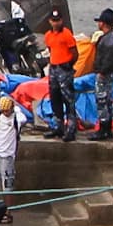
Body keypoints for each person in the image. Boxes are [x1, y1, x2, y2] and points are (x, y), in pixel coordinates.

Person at [42, 8, 79, 142]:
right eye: (53, 21)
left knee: (68, 99)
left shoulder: (67, 34)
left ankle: (71, 129)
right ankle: (58, 127)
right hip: (54, 68)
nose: (56, 23)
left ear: (62, 21)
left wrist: (68, 65)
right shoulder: (48, 36)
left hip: (65, 68)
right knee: (55, 98)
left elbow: (75, 53)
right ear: (49, 21)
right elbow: (50, 50)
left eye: (58, 21)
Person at [89, 8, 113, 141]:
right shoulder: (111, 37)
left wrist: (102, 71)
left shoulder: (108, 40)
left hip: (104, 74)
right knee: (107, 100)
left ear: (104, 23)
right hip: (108, 73)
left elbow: (109, 59)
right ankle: (107, 128)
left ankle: (103, 129)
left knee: (102, 101)